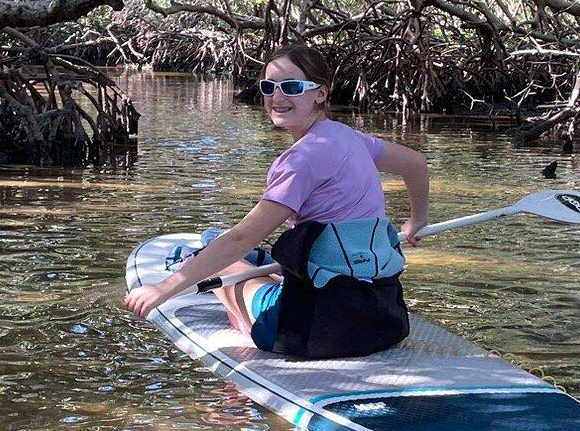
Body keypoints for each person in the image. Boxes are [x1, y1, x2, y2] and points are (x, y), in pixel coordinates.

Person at [124, 44, 428, 358]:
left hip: (313, 332)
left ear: (320, 94)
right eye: (269, 87)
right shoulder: (350, 137)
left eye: (292, 87)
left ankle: (219, 285)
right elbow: (415, 163)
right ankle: (248, 268)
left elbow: (240, 238)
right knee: (249, 255)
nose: (277, 97)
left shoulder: (300, 161)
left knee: (222, 258)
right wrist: (417, 219)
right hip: (385, 317)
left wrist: (163, 289)